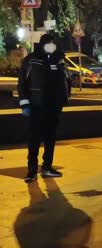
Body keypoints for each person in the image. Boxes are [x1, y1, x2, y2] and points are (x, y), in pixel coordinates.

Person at [18, 34, 71, 183]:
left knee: (50, 138)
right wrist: (25, 104)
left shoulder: (60, 60)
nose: (51, 46)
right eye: (48, 44)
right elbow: (22, 84)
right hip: (36, 107)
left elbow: (67, 81)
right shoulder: (31, 61)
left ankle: (47, 167)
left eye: (53, 44)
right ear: (41, 45)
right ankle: (31, 171)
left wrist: (64, 99)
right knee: (34, 139)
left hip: (54, 107)